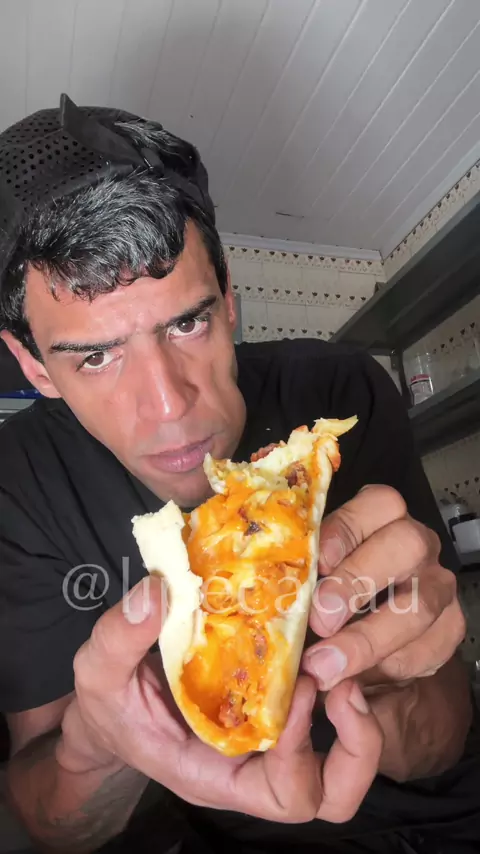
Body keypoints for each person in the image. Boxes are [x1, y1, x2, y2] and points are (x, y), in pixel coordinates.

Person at [0, 94, 478, 854]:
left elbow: (446, 730)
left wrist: (391, 694)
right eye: (95, 356)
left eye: (187, 322)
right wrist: (98, 743)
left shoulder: (339, 389)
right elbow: (48, 822)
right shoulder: (21, 481)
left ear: (228, 299)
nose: (169, 406)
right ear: (32, 366)